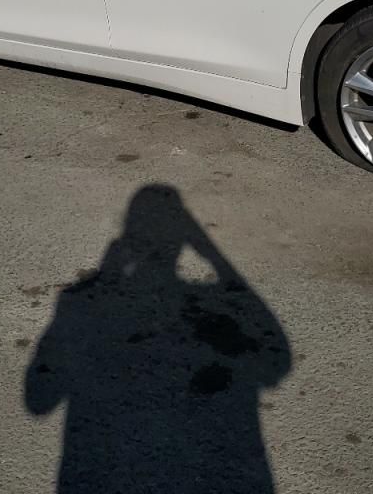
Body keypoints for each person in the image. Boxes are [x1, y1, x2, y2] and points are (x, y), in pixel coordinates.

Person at [24, 184, 290, 493]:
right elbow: (277, 363)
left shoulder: (76, 305)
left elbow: (38, 401)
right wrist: (217, 260)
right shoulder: (210, 306)